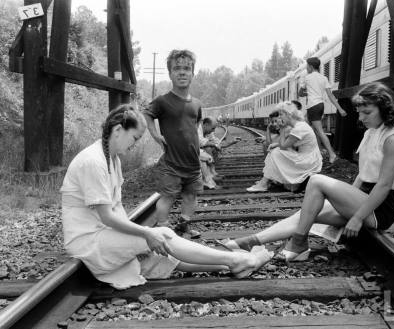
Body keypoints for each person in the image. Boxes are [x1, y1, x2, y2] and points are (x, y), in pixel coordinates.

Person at [60, 105, 273, 290]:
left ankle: (235, 264)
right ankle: (237, 258)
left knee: (164, 254)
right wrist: (146, 233)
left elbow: (116, 211)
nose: (134, 145)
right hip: (88, 242)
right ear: (118, 130)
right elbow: (107, 216)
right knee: (163, 234)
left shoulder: (111, 159)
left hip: (103, 237)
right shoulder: (93, 161)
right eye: (134, 138)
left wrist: (143, 237)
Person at [222, 82, 394, 262]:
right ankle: (251, 241)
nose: (361, 117)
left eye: (367, 112)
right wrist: (343, 201)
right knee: (307, 212)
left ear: (385, 109)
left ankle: (298, 244)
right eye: (359, 112)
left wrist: (356, 217)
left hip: (378, 209)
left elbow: (384, 185)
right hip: (362, 200)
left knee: (316, 180)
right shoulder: (373, 131)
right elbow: (363, 174)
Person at [143, 49, 202, 239]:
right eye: (177, 68)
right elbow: (147, 114)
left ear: (193, 73)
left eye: (187, 68)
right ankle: (163, 228)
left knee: (190, 197)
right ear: (170, 73)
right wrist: (155, 135)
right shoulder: (163, 101)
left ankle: (184, 226)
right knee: (167, 196)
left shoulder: (197, 104)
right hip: (172, 164)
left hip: (193, 164)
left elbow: (197, 124)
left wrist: (199, 142)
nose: (182, 72)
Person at [247, 101, 322, 193]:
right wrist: (277, 144)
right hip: (307, 157)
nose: (279, 117)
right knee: (275, 151)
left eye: (281, 114)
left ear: (288, 114)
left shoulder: (299, 128)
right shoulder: (299, 125)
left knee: (276, 153)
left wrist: (282, 129)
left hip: (309, 161)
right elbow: (285, 144)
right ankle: (265, 182)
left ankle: (264, 183)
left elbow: (283, 146)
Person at [302, 57, 347, 164]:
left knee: (318, 131)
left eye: (307, 66)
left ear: (311, 67)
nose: (306, 68)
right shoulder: (324, 78)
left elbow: (300, 93)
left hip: (312, 106)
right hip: (320, 105)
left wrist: (304, 91)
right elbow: (330, 96)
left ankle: (331, 154)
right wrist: (340, 109)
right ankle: (318, 153)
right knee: (314, 130)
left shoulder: (307, 78)